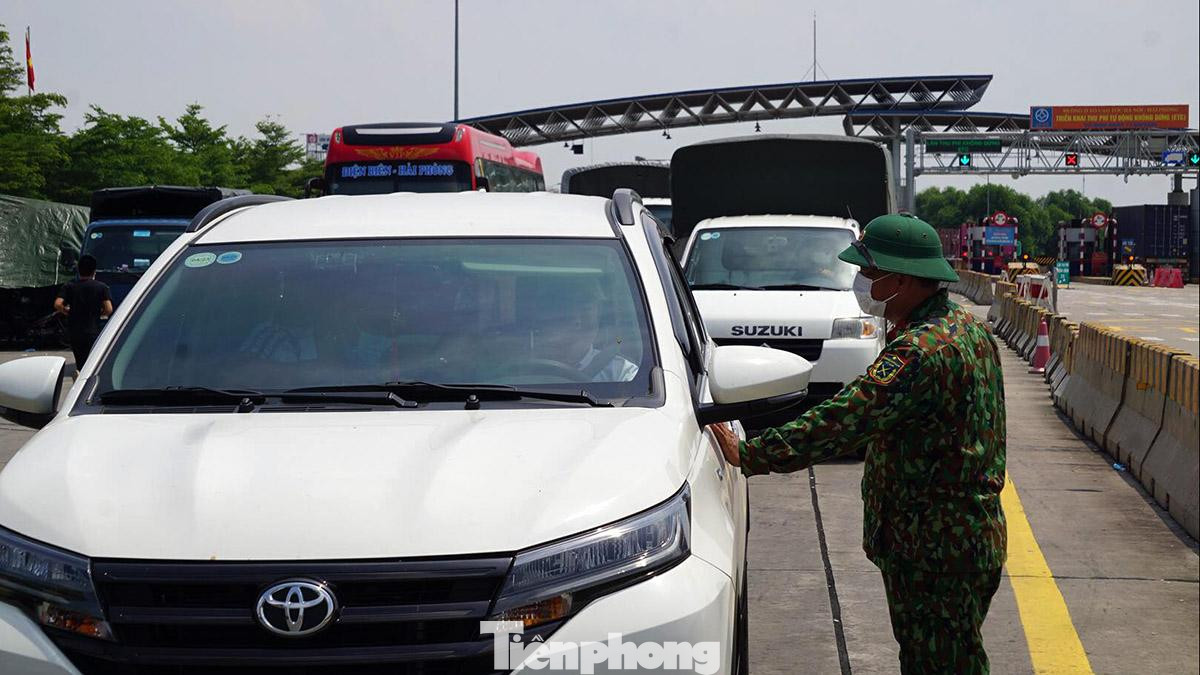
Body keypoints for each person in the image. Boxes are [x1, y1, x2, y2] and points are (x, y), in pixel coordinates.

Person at [710, 213, 1007, 674]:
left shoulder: (919, 352)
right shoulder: (966, 330)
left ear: (903, 280)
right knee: (946, 657)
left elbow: (843, 420)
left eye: (870, 273)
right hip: (964, 541)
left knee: (941, 663)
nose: (862, 284)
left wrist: (752, 453)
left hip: (934, 550)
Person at [532, 278, 639, 382]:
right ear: (545, 321)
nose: (576, 320)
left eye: (585, 309)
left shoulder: (620, 372)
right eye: (566, 309)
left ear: (599, 317)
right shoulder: (523, 370)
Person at [54, 254, 114, 372]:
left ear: (78, 270)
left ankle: (79, 378)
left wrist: (67, 311)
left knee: (80, 362)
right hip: (93, 330)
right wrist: (99, 313)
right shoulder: (102, 287)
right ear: (94, 271)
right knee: (93, 361)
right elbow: (109, 309)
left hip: (75, 331)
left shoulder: (69, 286)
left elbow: (57, 304)